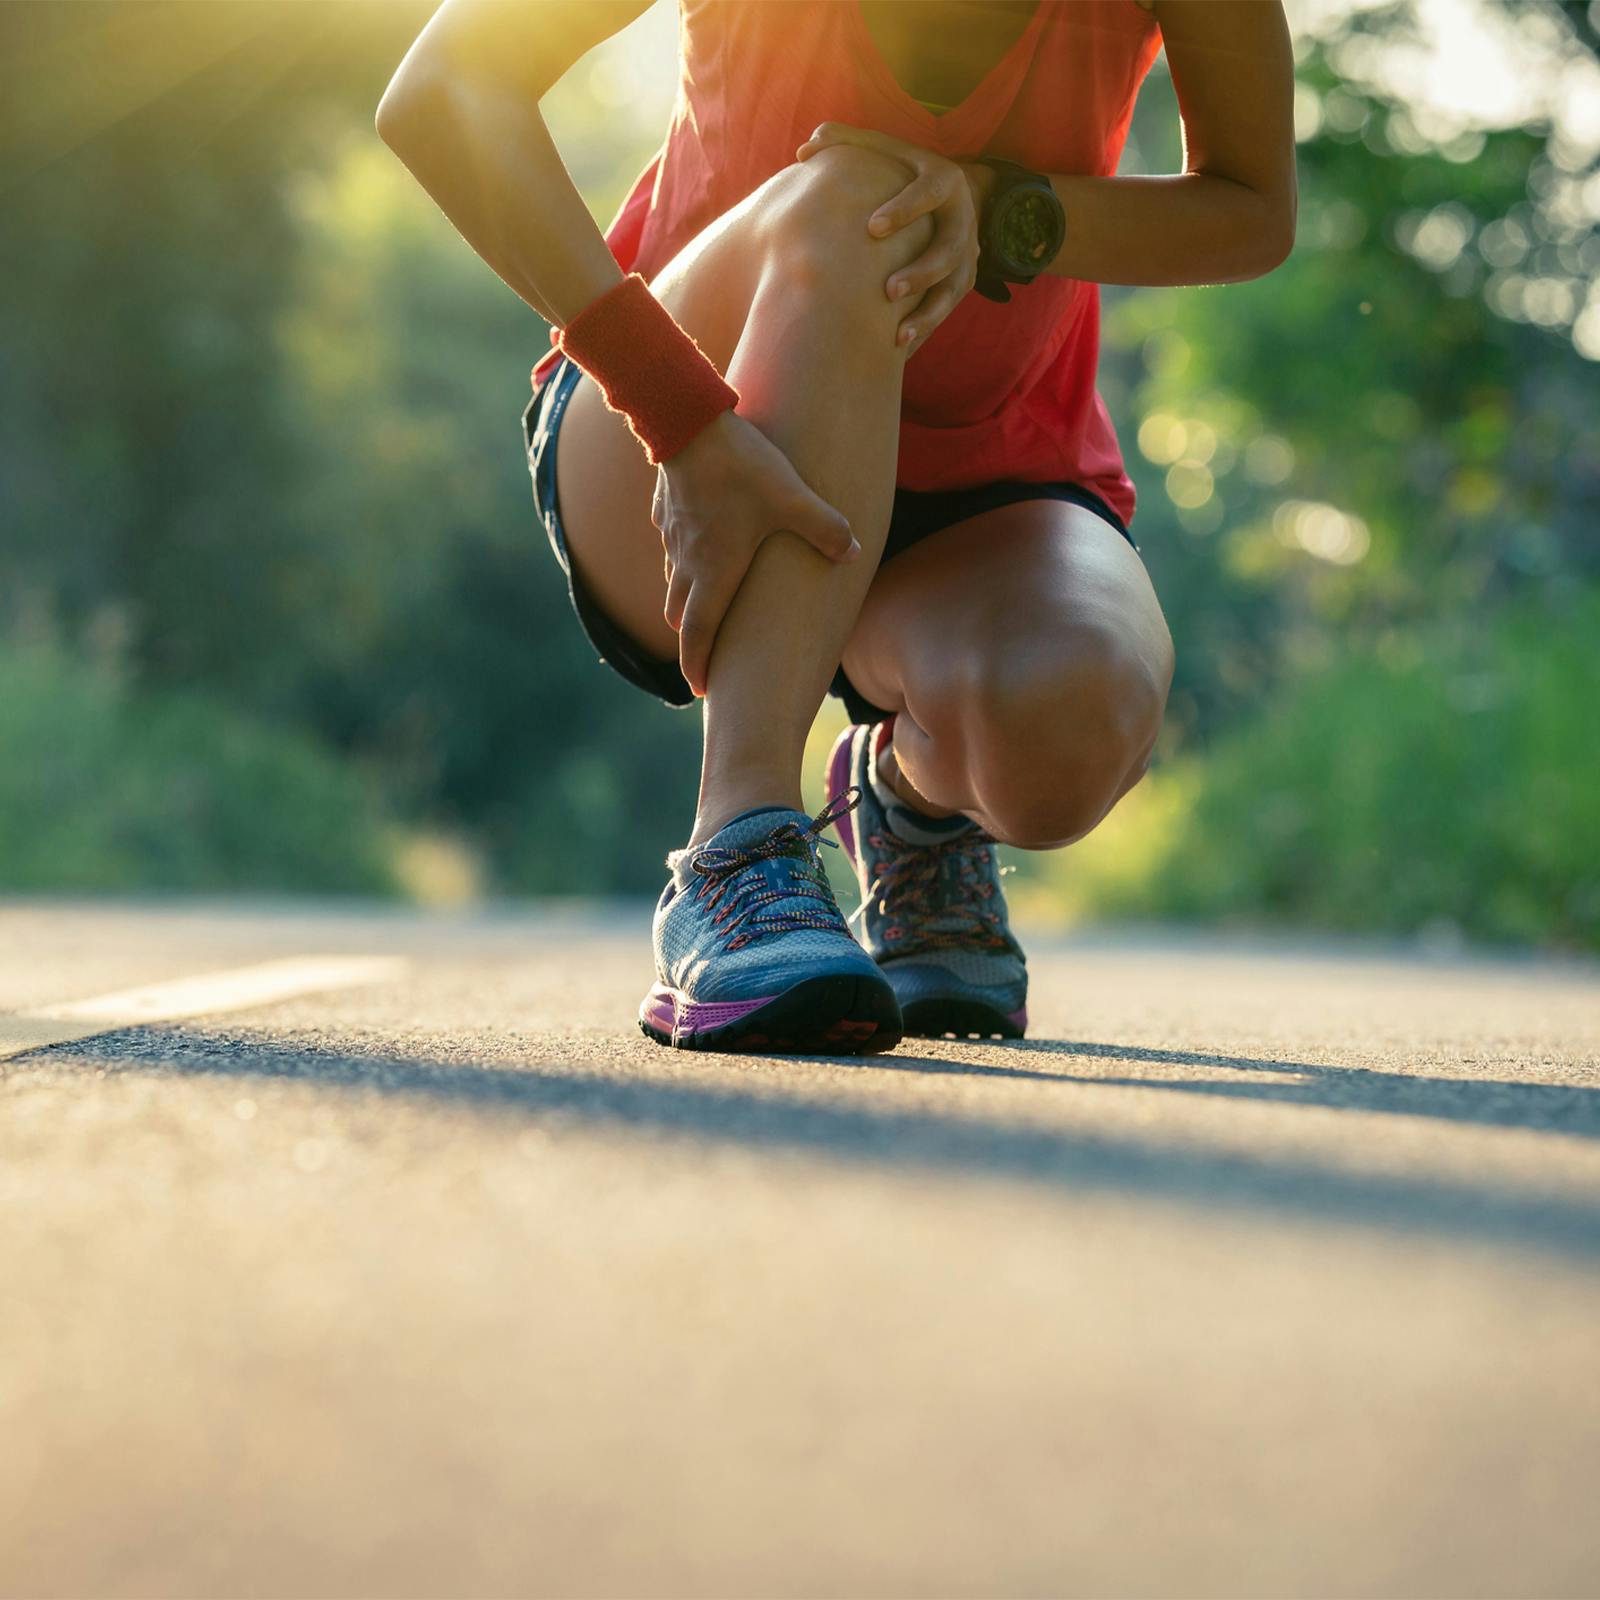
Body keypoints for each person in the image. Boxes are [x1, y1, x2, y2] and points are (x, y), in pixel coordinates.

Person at [376, 0, 1296, 1055]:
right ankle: (736, 847)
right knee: (865, 197)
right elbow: (443, 88)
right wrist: (676, 412)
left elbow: (1250, 208)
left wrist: (1003, 210)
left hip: (988, 471)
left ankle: (906, 805)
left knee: (1070, 720)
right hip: (681, 427)